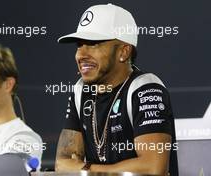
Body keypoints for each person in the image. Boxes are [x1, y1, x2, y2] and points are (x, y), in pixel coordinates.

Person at [55, 3, 178, 176]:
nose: (80, 55)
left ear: (124, 52)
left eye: (93, 44)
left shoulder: (146, 88)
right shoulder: (80, 91)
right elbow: (62, 165)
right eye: (79, 45)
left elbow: (152, 168)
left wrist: (86, 169)